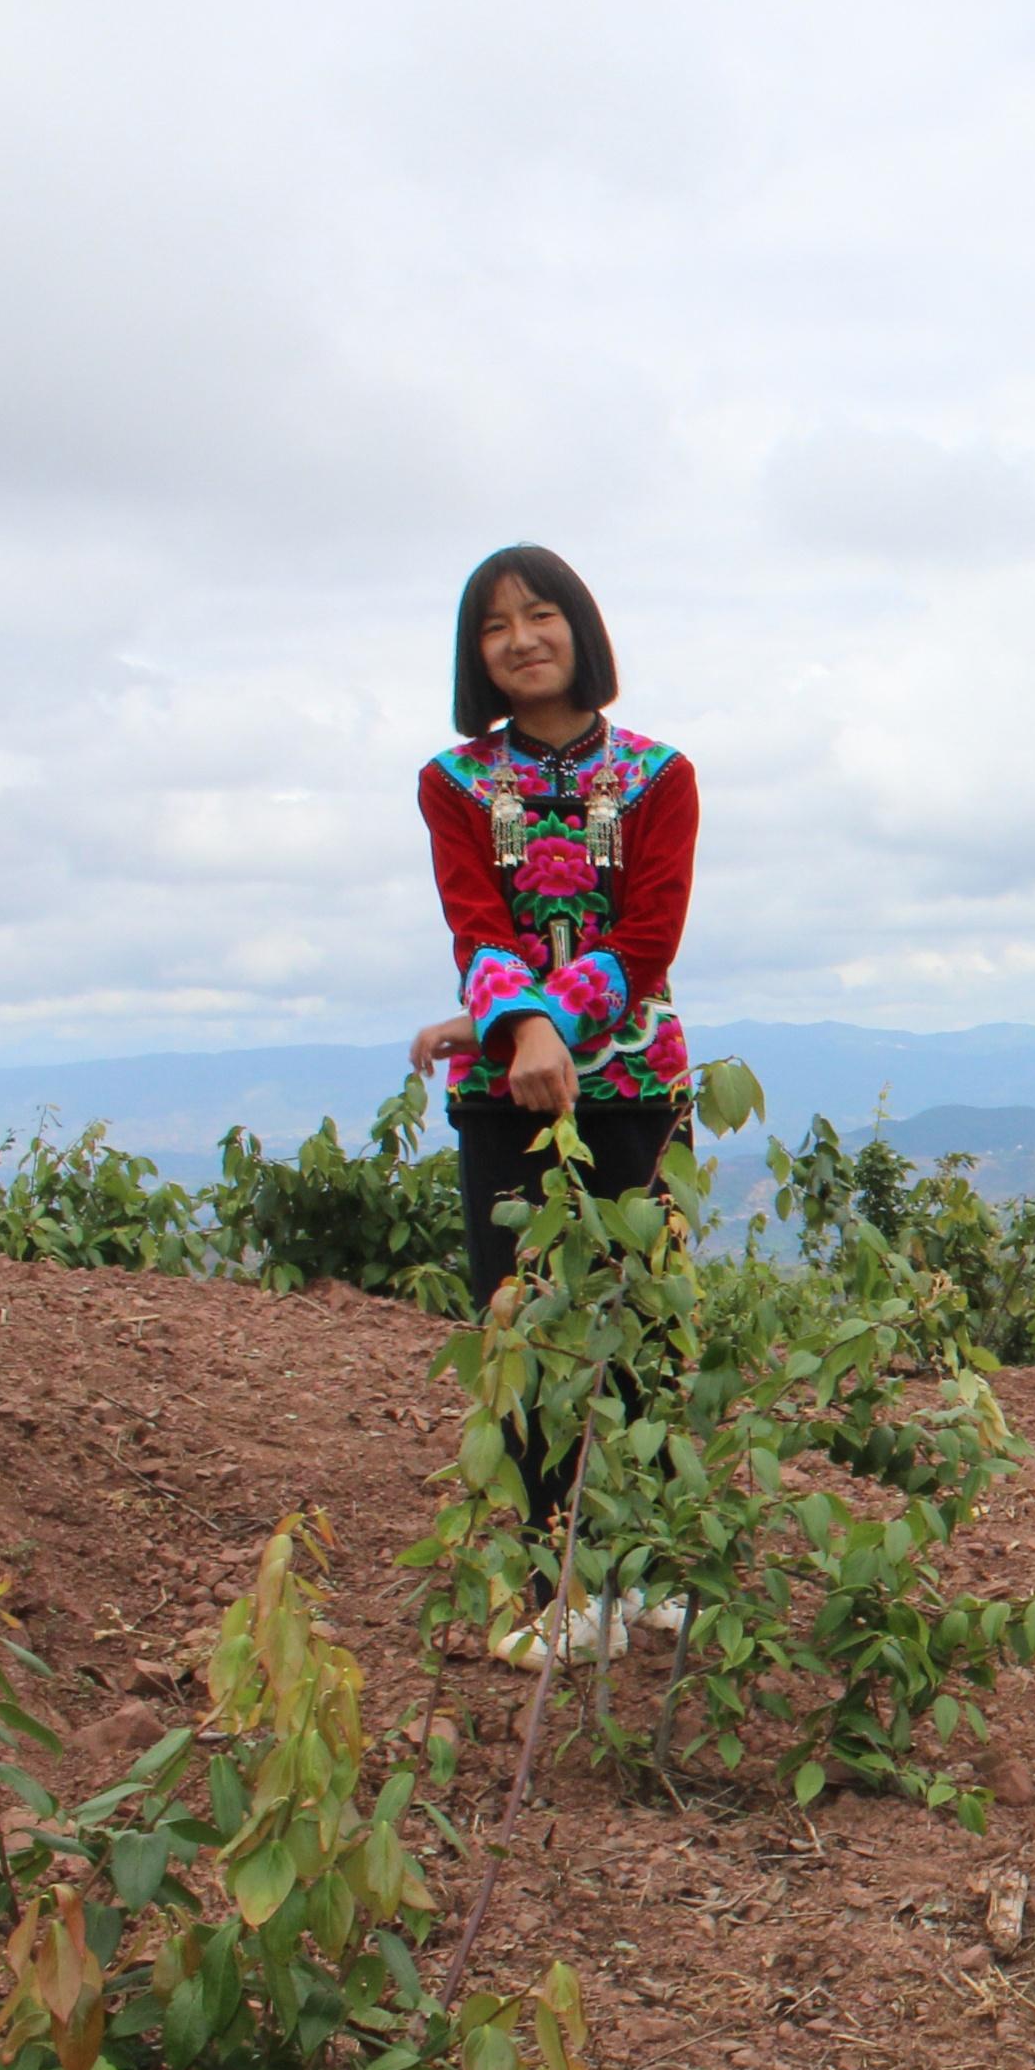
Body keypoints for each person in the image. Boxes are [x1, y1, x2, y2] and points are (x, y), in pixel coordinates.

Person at [403, 546, 700, 1659]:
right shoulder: (455, 782)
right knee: (518, 1329)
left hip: (635, 1086)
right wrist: (511, 1030)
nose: (520, 639)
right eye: (493, 627)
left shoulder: (660, 775)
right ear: (476, 656)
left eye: (539, 615)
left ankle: (651, 1570)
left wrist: (539, 1025)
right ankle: (547, 1589)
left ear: (579, 626)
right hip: (501, 1099)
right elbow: (475, 923)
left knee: (647, 1324)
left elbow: (648, 936)